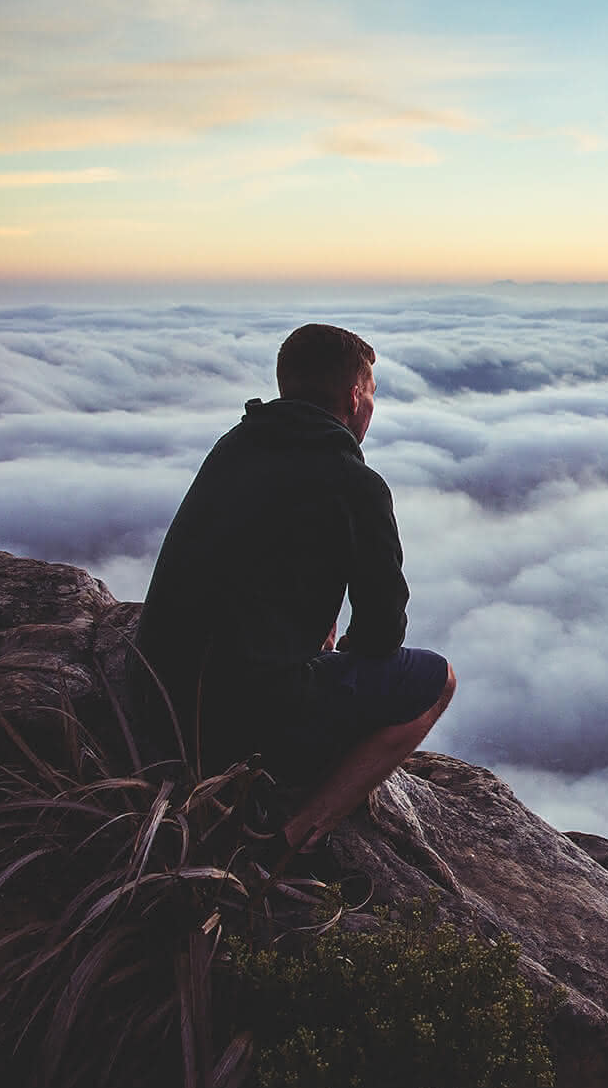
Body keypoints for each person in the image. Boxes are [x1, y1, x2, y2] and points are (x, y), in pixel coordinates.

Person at [134, 322, 456, 862]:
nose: (371, 406)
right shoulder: (355, 484)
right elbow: (383, 633)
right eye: (371, 393)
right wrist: (338, 655)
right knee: (436, 681)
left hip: (156, 704)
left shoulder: (234, 446)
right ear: (353, 398)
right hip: (241, 727)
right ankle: (289, 840)